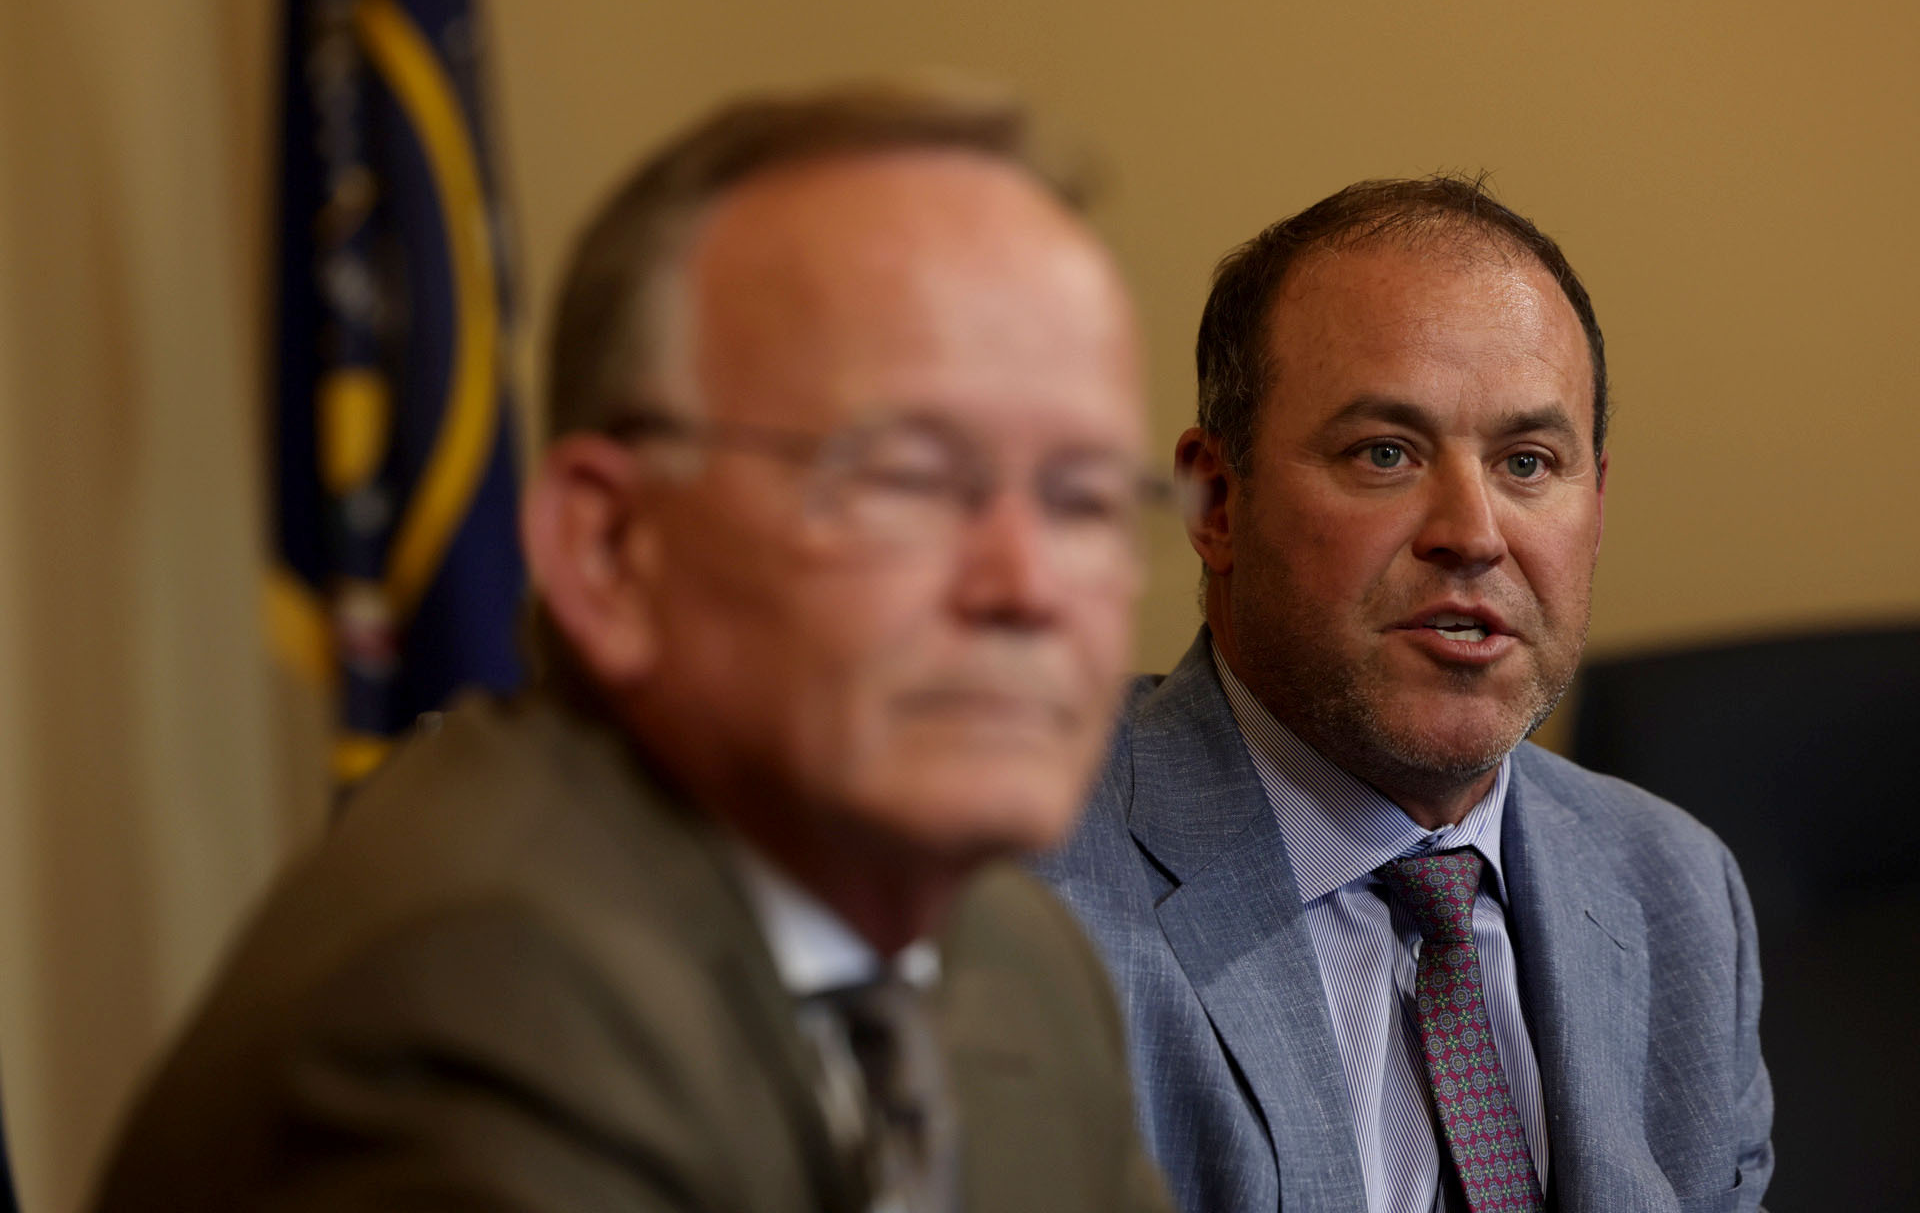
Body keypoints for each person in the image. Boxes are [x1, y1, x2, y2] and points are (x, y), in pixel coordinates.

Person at [92, 84, 1174, 1213]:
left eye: (1084, 500)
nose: (1026, 585)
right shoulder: (476, 996)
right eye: (905, 476)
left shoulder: (1014, 954)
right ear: (607, 546)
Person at [1036, 177, 1773, 1213]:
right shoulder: (1004, 876)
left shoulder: (1679, 892)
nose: (1472, 531)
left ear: (1595, 503)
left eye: (1528, 461)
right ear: (1215, 500)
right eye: (1385, 453)